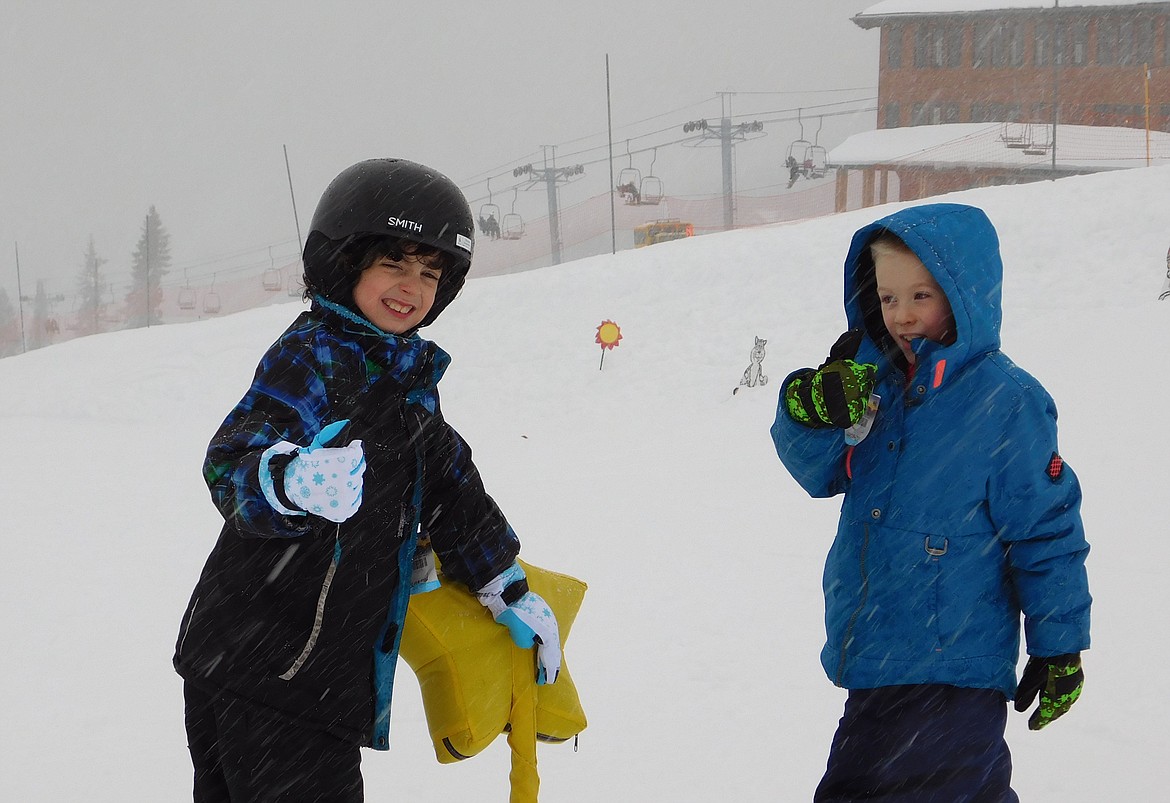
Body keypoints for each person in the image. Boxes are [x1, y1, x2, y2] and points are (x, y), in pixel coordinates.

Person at [174, 158, 561, 802]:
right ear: (346, 264)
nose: (411, 286)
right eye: (393, 263)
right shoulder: (315, 356)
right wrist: (288, 481)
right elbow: (230, 463)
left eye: (429, 272)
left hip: (299, 672)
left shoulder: (404, 378)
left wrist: (505, 584)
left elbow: (451, 486)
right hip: (267, 668)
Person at [769, 203, 1091, 801]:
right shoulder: (872, 380)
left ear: (965, 292)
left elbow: (1046, 532)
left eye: (921, 296)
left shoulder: (1005, 403)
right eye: (888, 299)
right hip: (876, 651)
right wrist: (811, 409)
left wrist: (1060, 643)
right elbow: (817, 474)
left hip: (952, 661)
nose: (902, 316)